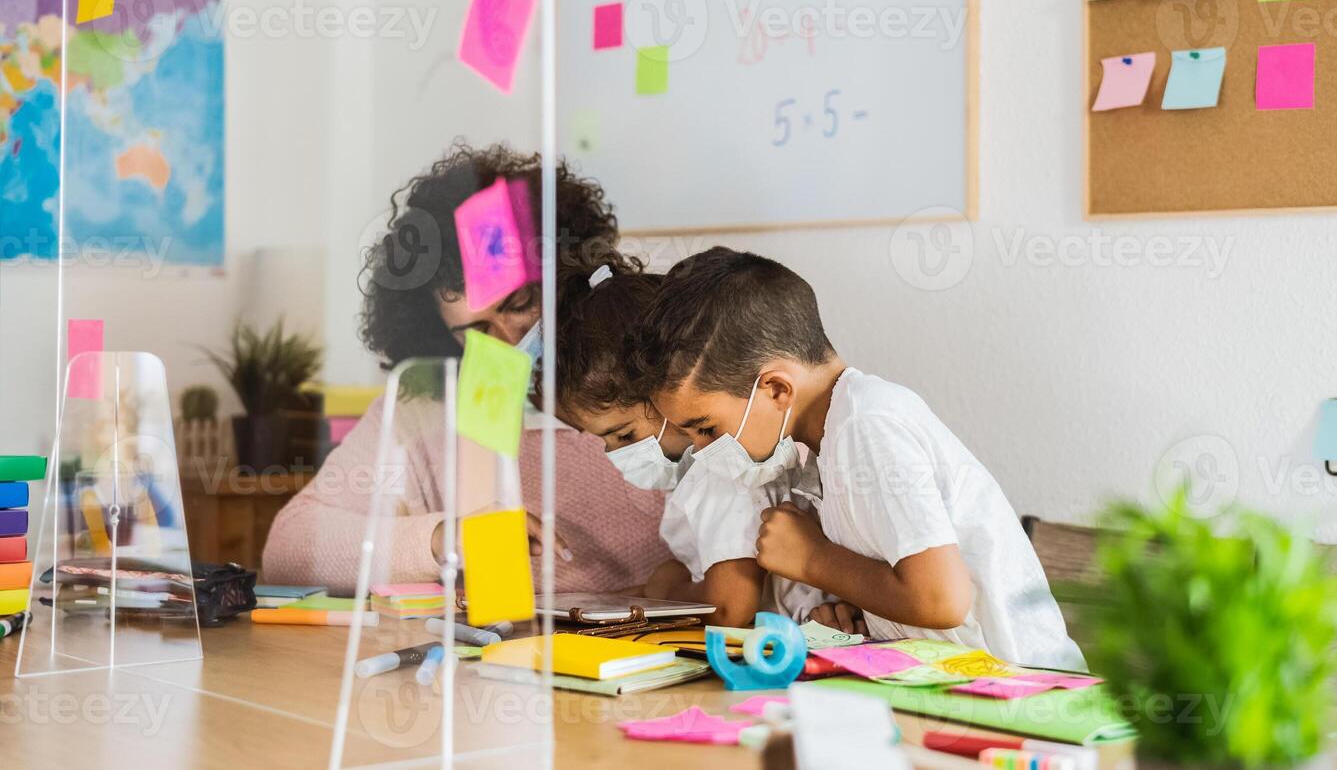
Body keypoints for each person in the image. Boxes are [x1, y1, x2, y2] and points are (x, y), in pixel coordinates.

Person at [628, 247, 1085, 670]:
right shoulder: (828, 442)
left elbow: (940, 599)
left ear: (776, 389)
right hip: (956, 682)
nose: (702, 449)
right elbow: (905, 590)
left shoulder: (866, 424)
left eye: (706, 428)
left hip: (1023, 691)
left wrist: (813, 558)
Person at [262, 142, 670, 594]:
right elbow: (288, 551)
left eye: (520, 304)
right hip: (491, 653)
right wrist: (441, 538)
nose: (510, 340)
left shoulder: (649, 366)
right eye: (476, 329)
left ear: (566, 275)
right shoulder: (429, 405)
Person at [554, 263, 827, 628]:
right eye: (607, 443)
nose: (618, 455)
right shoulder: (699, 473)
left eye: (625, 435)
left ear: (665, 396)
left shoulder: (720, 472)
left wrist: (667, 589)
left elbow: (730, 608)